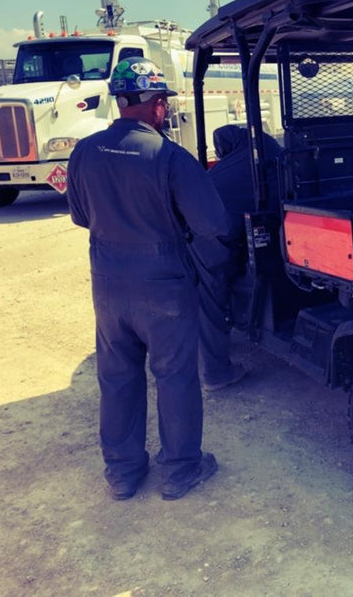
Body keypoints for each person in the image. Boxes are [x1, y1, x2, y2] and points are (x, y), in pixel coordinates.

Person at [67, 57, 230, 501]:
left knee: (117, 376)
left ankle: (122, 473)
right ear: (158, 105)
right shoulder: (169, 156)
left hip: (108, 282)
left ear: (119, 103)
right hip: (163, 283)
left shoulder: (83, 152)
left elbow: (81, 216)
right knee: (174, 374)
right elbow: (213, 224)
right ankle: (180, 470)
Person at [190, 124, 281, 389]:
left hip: (207, 234)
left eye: (222, 150)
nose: (221, 155)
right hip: (227, 232)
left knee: (207, 298)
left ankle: (214, 373)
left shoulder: (228, 168)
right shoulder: (264, 151)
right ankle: (215, 366)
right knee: (212, 294)